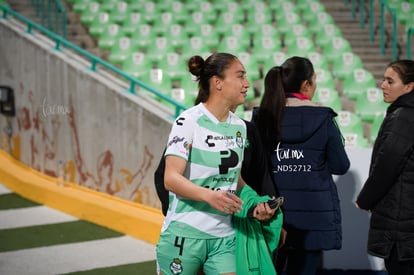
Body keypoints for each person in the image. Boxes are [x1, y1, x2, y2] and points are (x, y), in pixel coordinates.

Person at [156, 53, 279, 275]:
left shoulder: (240, 127)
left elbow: (236, 180)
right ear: (218, 83)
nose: (247, 84)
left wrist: (255, 205)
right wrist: (209, 196)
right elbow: (170, 179)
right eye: (240, 76)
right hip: (183, 235)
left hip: (225, 237)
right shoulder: (187, 121)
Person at [251, 56, 350, 275]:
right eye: (314, 81)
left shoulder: (261, 117)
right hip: (312, 216)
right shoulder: (322, 118)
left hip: (272, 213)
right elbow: (340, 166)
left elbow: (254, 169)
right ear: (306, 85)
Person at [356, 60, 414, 275]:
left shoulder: (404, 117)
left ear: (409, 87)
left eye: (390, 81)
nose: (383, 85)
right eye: (383, 79)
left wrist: (366, 199)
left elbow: (388, 163)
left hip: (402, 221)